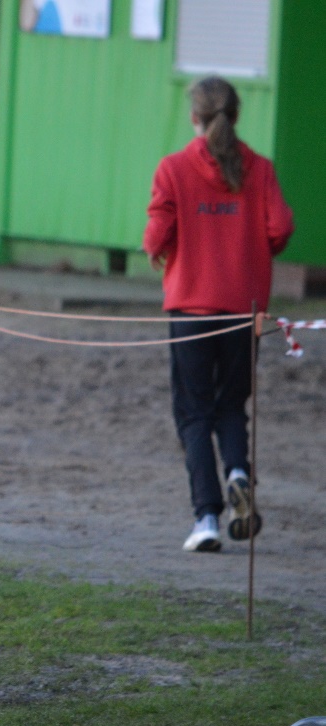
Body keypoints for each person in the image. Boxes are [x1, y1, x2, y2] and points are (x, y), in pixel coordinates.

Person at [143, 76, 293, 553]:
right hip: (242, 310)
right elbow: (281, 227)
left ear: (194, 117)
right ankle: (239, 473)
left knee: (192, 412)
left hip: (190, 306)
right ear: (237, 115)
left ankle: (206, 517)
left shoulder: (173, 168)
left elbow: (155, 236)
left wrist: (162, 250)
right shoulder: (261, 169)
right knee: (231, 406)